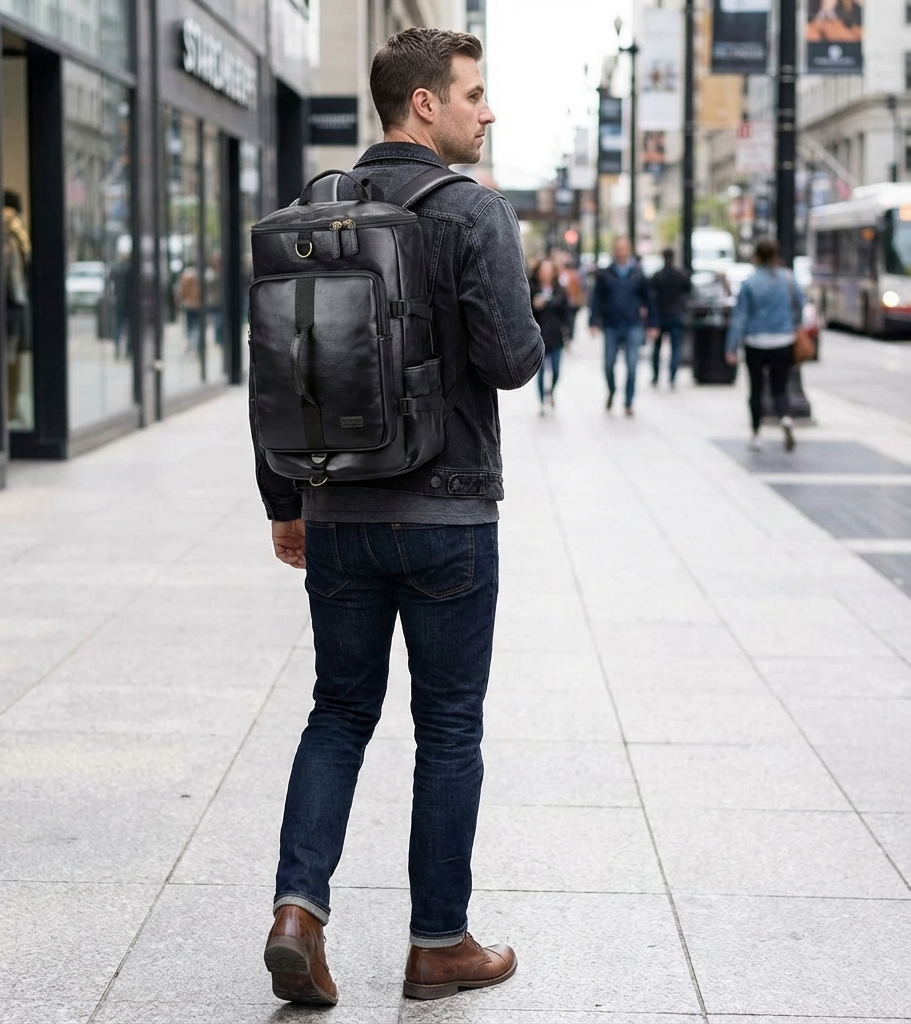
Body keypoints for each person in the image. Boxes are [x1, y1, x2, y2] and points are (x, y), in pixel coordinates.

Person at [255, 27, 544, 1007]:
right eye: (472, 94)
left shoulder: (312, 211)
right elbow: (511, 360)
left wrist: (287, 503)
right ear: (424, 104)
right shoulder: (473, 210)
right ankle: (438, 945)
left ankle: (297, 913)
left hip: (337, 507)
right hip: (447, 513)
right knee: (448, 725)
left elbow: (276, 366)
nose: (486, 111)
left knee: (338, 711)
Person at [725, 237, 801, 452]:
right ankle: (785, 417)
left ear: (756, 256)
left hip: (755, 342)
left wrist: (731, 347)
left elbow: (740, 317)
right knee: (780, 387)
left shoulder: (749, 282)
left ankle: (756, 434)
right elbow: (799, 305)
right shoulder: (788, 278)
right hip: (783, 340)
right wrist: (792, 326)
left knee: (756, 389)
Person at [589, 236, 651, 416]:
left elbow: (648, 299)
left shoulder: (638, 273)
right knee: (609, 364)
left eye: (624, 248)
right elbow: (596, 299)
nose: (621, 252)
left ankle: (629, 401)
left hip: (633, 323)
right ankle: (612, 390)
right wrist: (593, 321)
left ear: (629, 250)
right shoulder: (605, 274)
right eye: (618, 248)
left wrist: (652, 324)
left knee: (632, 364)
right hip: (611, 324)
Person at [3, 191, 30, 425]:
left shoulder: (17, 238)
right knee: (9, 358)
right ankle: (8, 405)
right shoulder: (6, 239)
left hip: (17, 304)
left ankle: (12, 404)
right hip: (8, 306)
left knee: (15, 358)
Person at [531, 257, 572, 412]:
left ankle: (551, 392)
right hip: (538, 337)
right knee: (540, 371)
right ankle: (542, 401)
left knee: (556, 370)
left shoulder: (559, 290)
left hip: (555, 336)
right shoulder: (532, 289)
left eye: (549, 271)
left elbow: (566, 314)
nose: (546, 274)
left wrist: (568, 334)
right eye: (543, 271)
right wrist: (534, 305)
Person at [649, 248, 691, 388]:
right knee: (675, 348)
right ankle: (672, 377)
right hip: (675, 314)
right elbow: (688, 290)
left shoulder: (658, 276)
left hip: (661, 315)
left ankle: (656, 376)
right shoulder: (680, 275)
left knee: (657, 348)